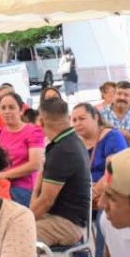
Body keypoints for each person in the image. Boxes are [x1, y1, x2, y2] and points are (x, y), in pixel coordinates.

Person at [69, 102, 128, 257]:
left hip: (111, 192)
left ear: (95, 117)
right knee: (67, 212)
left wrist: (94, 192)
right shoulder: (75, 142)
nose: (77, 123)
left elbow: (113, 172)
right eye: (74, 120)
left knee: (105, 217)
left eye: (82, 118)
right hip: (85, 195)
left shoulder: (112, 137)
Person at [31, 98, 91, 246]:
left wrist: (23, 220)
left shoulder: (63, 151)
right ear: (68, 118)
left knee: (14, 235)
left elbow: (46, 201)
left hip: (67, 223)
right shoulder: (72, 142)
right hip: (64, 217)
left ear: (41, 121)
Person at [0, 92, 44, 207]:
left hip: (24, 190)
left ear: (21, 110)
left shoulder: (33, 132)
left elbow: (35, 164)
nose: (6, 111)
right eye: (3, 108)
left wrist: (4, 175)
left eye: (11, 107)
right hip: (0, 187)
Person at [100, 80, 130, 148]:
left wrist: (123, 133)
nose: (122, 98)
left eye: (126, 95)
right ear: (114, 96)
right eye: (119, 94)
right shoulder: (102, 114)